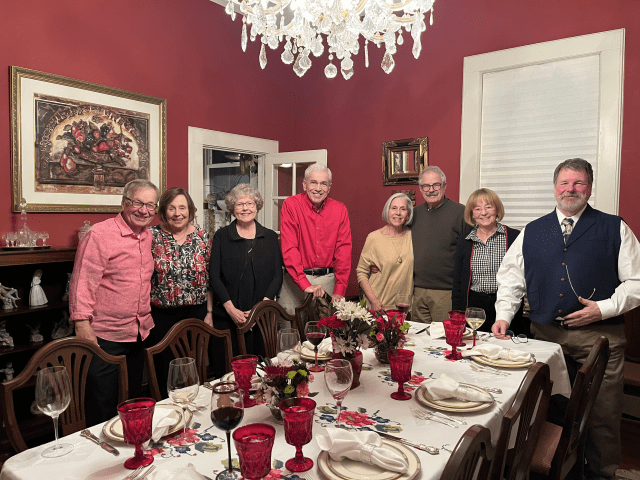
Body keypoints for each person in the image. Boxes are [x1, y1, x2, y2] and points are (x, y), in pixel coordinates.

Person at [493, 158, 640, 480]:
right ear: (555, 188)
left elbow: (637, 281)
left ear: (589, 187)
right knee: (546, 410)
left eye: (578, 183)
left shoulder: (614, 227)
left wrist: (603, 308)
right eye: (564, 183)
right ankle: (558, 471)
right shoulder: (532, 230)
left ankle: (601, 474)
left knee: (601, 416)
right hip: (544, 337)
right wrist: (503, 315)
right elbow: (511, 278)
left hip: (599, 339)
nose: (570, 189)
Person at [69, 179, 159, 426]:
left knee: (132, 402)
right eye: (138, 203)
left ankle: (131, 443)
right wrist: (82, 326)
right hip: (105, 336)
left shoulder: (148, 236)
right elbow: (82, 282)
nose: (144, 210)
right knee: (102, 405)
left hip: (138, 333)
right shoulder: (99, 235)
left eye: (150, 205)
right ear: (123, 203)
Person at [209, 184, 282, 370]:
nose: (245, 208)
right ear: (232, 208)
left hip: (262, 318)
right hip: (227, 316)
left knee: (262, 371)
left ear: (257, 206)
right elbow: (214, 276)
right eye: (240, 204)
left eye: (250, 203)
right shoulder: (221, 236)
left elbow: (277, 275)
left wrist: (259, 310)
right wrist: (231, 310)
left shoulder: (270, 237)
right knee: (228, 371)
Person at [149, 187, 213, 397]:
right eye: (172, 208)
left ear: (190, 210)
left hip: (196, 314)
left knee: (194, 369)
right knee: (164, 372)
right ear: (163, 211)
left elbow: (210, 278)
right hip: (161, 316)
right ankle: (168, 412)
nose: (178, 213)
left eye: (182, 208)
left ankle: (196, 410)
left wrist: (209, 312)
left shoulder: (202, 237)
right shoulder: (152, 236)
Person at [279, 163, 352, 325]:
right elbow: (290, 248)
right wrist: (304, 283)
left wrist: (340, 289)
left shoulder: (340, 209)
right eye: (313, 182)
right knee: (289, 333)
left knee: (326, 334)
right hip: (294, 282)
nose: (318, 188)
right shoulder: (291, 205)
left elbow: (343, 252)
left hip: (327, 281)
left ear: (329, 187)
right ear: (304, 184)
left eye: (323, 183)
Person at [451, 188, 526, 333]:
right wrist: (457, 313)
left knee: (504, 342)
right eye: (477, 209)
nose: (483, 213)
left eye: (488, 207)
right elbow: (458, 282)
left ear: (497, 210)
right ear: (472, 214)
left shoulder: (513, 237)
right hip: (474, 306)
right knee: (475, 342)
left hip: (505, 303)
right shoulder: (465, 241)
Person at [411, 166, 472, 323]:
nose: (431, 190)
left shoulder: (461, 213)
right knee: (417, 336)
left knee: (444, 336)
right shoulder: (414, 214)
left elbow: (471, 253)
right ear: (420, 188)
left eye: (436, 185)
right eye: (426, 186)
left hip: (446, 292)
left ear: (444, 186)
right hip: (417, 291)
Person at [357, 193, 414, 316]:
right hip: (379, 305)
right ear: (387, 211)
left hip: (404, 306)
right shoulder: (374, 238)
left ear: (408, 214)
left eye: (403, 209)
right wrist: (374, 301)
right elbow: (361, 272)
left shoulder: (413, 236)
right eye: (394, 208)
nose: (398, 213)